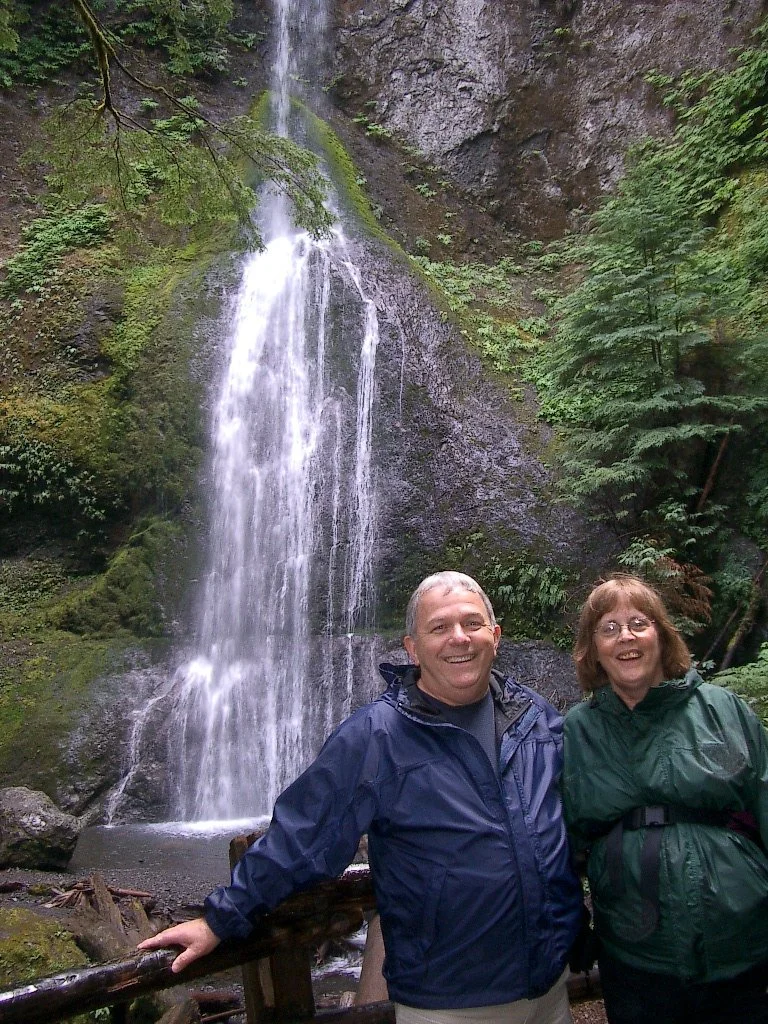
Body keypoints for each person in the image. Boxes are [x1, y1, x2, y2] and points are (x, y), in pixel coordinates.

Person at [139, 571, 583, 1024]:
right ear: (412, 648)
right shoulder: (375, 737)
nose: (459, 638)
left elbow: (571, 820)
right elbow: (302, 835)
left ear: (495, 635)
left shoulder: (535, 718)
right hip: (449, 1003)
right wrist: (220, 918)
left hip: (548, 989)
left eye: (472, 624)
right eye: (439, 627)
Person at [563, 574, 768, 1024]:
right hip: (636, 951)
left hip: (742, 938)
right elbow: (562, 837)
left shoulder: (721, 709)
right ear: (593, 648)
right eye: (609, 628)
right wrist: (569, 921)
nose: (626, 638)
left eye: (639, 623)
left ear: (662, 634)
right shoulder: (579, 730)